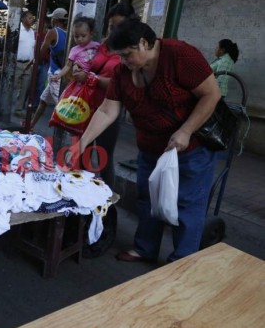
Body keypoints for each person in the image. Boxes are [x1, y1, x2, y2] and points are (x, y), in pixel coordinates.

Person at [73, 18, 221, 263]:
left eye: (127, 55)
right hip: (150, 148)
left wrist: (186, 130)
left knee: (187, 204)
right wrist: (82, 142)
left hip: (189, 149)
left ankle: (182, 261)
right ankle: (144, 248)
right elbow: (107, 110)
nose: (122, 62)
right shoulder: (123, 72)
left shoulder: (180, 55)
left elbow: (211, 94)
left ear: (143, 43)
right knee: (147, 199)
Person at [67, 2, 138, 189]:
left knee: (104, 158)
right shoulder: (102, 45)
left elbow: (122, 82)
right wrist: (78, 67)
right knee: (83, 156)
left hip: (109, 110)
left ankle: (108, 206)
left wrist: (92, 79)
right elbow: (88, 63)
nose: (114, 30)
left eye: (118, 26)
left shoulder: (130, 50)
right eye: (111, 26)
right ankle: (81, 200)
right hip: (87, 107)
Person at [30, 8, 68, 131]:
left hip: (55, 73)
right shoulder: (68, 33)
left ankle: (64, 135)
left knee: (62, 107)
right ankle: (31, 125)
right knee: (43, 101)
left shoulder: (52, 32)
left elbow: (42, 50)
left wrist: (34, 62)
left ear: (55, 19)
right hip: (61, 71)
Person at [49, 16, 100, 83]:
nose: (79, 39)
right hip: (80, 79)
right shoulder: (74, 50)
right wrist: (59, 75)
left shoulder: (97, 45)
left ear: (91, 34)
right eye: (76, 36)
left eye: (83, 36)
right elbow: (68, 65)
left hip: (94, 77)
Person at [13, 10, 36, 117]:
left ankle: (18, 109)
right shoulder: (17, 30)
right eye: (29, 17)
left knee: (25, 88)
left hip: (28, 64)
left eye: (32, 18)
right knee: (12, 86)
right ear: (23, 19)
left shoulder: (32, 32)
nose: (32, 19)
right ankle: (5, 107)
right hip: (17, 63)